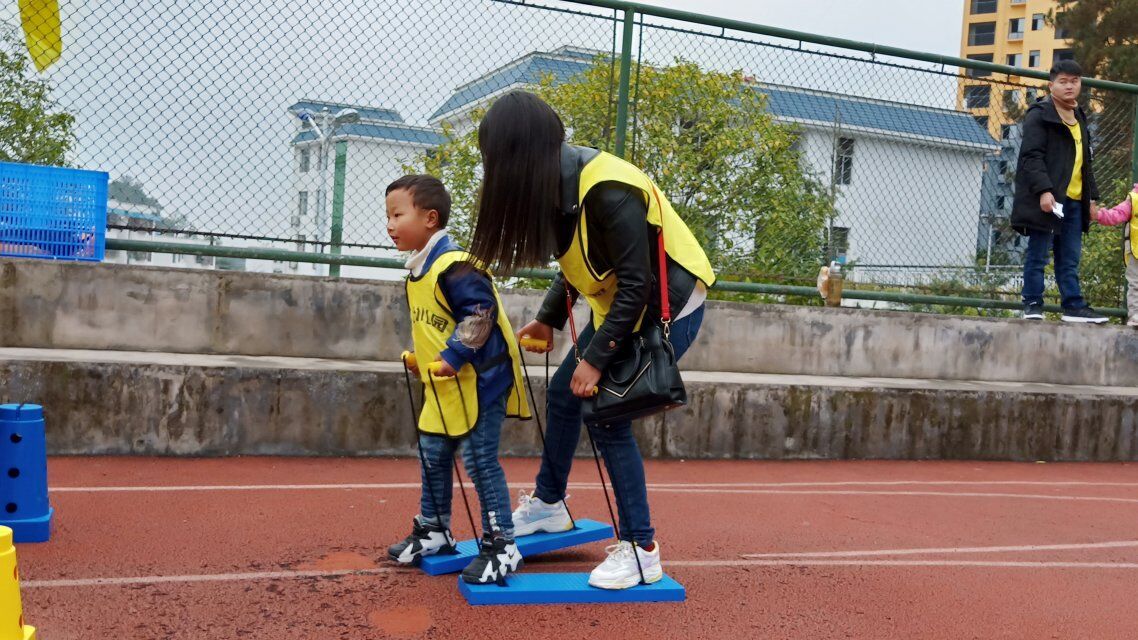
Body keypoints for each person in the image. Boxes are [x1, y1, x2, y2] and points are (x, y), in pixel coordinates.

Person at [465, 91, 715, 590]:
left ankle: (642, 551)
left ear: (520, 154)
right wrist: (549, 319)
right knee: (563, 393)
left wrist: (597, 360)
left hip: (667, 303)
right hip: (625, 304)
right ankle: (550, 505)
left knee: (607, 413)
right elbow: (579, 262)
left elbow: (640, 281)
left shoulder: (608, 187)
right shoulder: (555, 189)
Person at [383, 174, 532, 585]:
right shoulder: (420, 269)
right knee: (432, 452)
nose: (390, 225)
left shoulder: (455, 265)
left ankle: (502, 544)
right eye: (388, 216)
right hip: (445, 386)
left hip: (480, 382)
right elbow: (437, 322)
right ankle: (434, 528)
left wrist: (453, 355)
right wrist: (424, 357)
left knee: (479, 460)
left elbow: (478, 314)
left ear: (430, 218)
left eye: (398, 215)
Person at [1011, 59, 1107, 323]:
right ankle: (1032, 303)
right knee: (1038, 253)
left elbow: (1085, 162)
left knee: (1070, 257)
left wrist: (1091, 199)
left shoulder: (1079, 117)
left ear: (1081, 84)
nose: (1069, 86)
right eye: (1063, 81)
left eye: (1074, 81)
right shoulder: (1040, 113)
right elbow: (1031, 157)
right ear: (1051, 85)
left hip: (1075, 200)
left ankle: (1073, 307)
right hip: (1050, 199)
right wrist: (1044, 191)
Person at [1091, 183, 1138, 327]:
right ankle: (1136, 315)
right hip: (1136, 251)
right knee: (1135, 283)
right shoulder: (1134, 198)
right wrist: (1099, 215)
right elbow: (1117, 214)